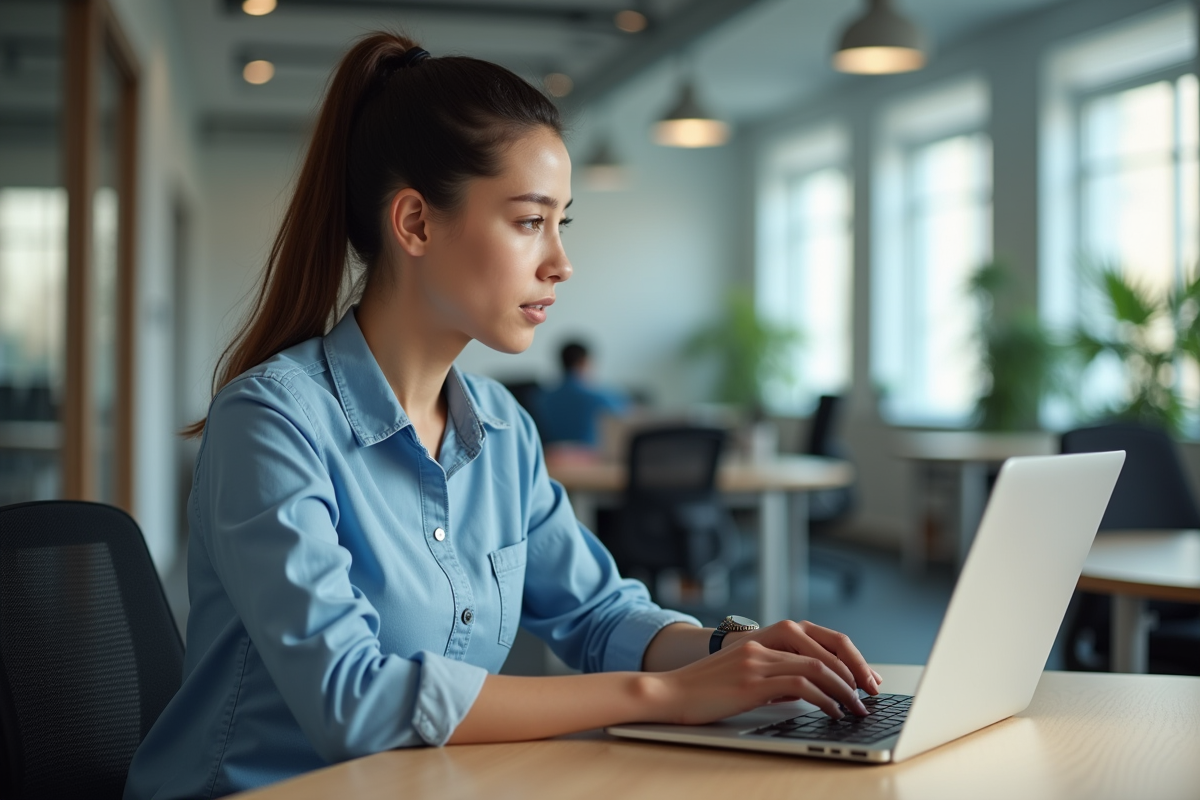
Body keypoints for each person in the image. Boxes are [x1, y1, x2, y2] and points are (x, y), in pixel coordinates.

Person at [123, 33, 881, 800]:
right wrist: (669, 697)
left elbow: (596, 613)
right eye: (529, 221)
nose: (560, 262)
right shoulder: (272, 421)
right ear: (415, 223)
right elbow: (352, 699)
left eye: (564, 224)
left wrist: (730, 653)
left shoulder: (501, 427)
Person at [536, 340, 629, 448]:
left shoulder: (541, 398)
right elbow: (626, 414)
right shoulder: (599, 397)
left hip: (552, 459)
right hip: (591, 459)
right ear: (583, 362)